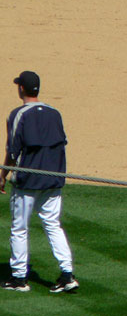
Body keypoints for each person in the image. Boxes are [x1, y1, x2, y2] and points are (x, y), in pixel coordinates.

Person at [0, 71, 77, 293]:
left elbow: (12, 151)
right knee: (53, 225)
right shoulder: (55, 113)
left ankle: (19, 278)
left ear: (21, 89)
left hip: (27, 181)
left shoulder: (17, 114)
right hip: (53, 179)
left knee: (19, 228)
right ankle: (67, 274)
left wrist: (3, 176)